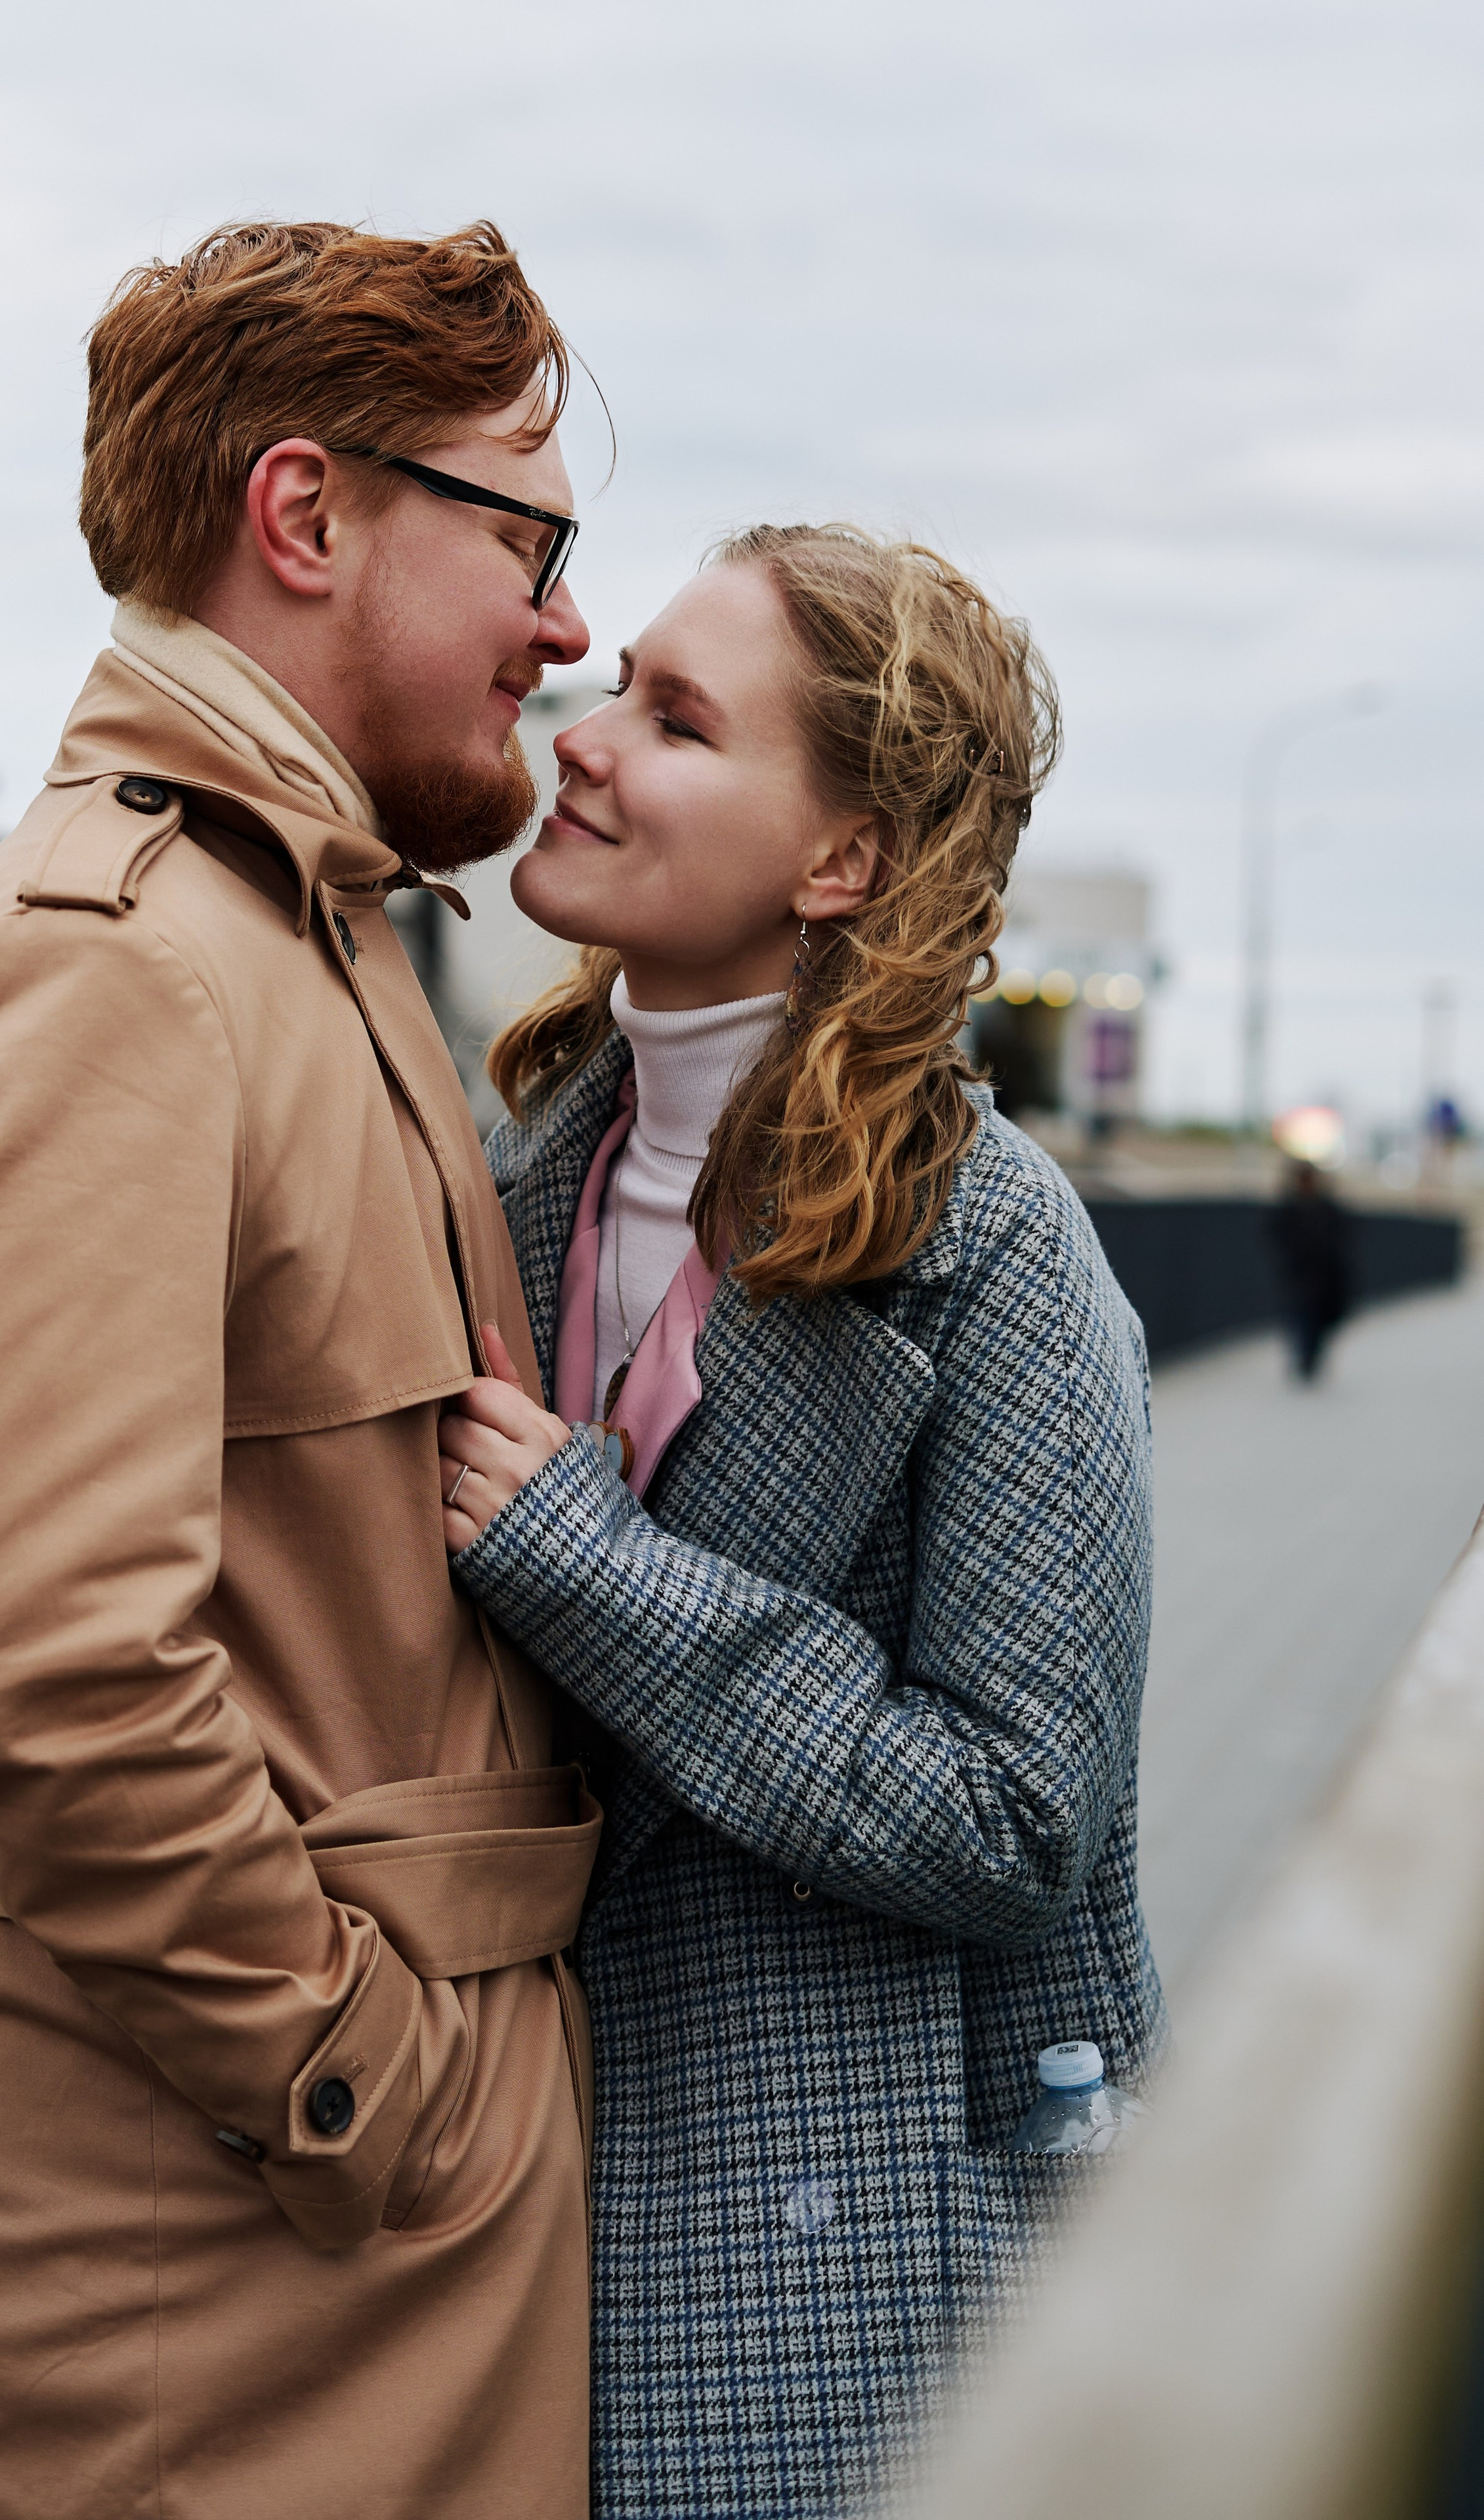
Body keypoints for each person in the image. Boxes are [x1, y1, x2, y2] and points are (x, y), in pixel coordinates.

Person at [0, 222, 600, 2520]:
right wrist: (363, 2090)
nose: (565, 625)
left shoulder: (286, 931)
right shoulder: (124, 975)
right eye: (531, 538)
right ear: (307, 513)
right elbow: (47, 1666)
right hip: (182, 2305)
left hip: (272, 2266)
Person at [435, 526, 1168, 2517]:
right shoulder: (520, 1182)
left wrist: (594, 1569)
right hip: (526, 2221)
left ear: (837, 860)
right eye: (614, 688)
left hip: (861, 2261)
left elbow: (1023, 1813)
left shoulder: (996, 1251)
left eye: (677, 719)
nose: (584, 741)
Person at [1267, 1158, 1353, 1380]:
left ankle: (1310, 1359)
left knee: (1318, 1321)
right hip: (1297, 1276)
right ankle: (1304, 1360)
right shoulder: (1288, 1208)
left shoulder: (1327, 1208)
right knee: (1299, 1317)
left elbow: (1342, 1239)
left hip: (1324, 1278)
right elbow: (1273, 1237)